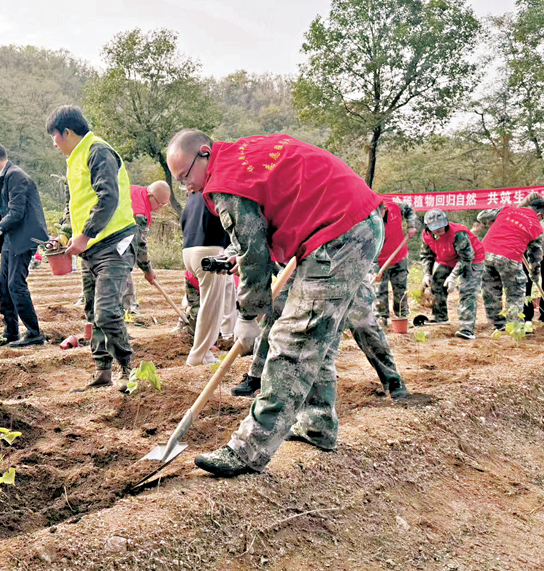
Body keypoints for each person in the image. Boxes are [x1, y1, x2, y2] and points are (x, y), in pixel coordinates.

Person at [166, 130, 383, 477]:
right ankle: (317, 423)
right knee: (316, 335)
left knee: (293, 340)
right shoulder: (238, 157)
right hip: (351, 224)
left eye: (185, 176)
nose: (187, 187)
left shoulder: (226, 181)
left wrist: (248, 314)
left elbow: (254, 257)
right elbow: (256, 237)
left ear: (204, 154)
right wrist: (246, 256)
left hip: (340, 233)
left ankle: (249, 449)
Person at [46, 106, 137, 391]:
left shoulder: (98, 152)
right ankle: (102, 370)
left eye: (55, 137)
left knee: (107, 311)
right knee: (92, 311)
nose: (54, 143)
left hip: (114, 242)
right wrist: (64, 234)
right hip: (91, 248)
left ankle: (128, 368)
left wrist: (85, 235)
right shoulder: (74, 160)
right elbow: (72, 205)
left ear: (67, 132)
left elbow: (108, 197)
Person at [231, 261, 409, 402]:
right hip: (301, 269)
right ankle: (255, 377)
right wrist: (240, 258)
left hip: (347, 265)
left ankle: (393, 381)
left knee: (363, 324)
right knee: (275, 310)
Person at [0, 143, 48, 348]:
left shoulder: (16, 176)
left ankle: (34, 333)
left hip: (23, 237)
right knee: (3, 284)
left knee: (15, 284)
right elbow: (5, 213)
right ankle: (11, 332)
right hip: (11, 238)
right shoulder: (6, 177)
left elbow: (17, 214)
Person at [181, 189, 236, 366]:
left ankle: (205, 355)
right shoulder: (217, 188)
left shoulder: (194, 191)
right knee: (212, 308)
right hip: (209, 248)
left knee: (207, 304)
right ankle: (197, 356)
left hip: (188, 249)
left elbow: (183, 220)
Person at [478, 200, 544, 331]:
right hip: (509, 256)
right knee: (515, 293)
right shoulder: (536, 226)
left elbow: (481, 216)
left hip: (485, 253)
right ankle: (514, 325)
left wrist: (492, 222)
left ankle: (496, 324)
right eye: (543, 218)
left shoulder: (506, 209)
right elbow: (535, 254)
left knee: (491, 291)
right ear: (539, 214)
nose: (541, 221)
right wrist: (534, 274)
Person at [419, 209, 486, 340]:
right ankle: (440, 316)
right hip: (448, 259)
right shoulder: (426, 236)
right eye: (434, 228)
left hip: (472, 259)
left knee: (467, 290)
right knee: (437, 281)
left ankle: (467, 328)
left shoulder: (458, 234)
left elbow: (466, 258)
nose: (438, 230)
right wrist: (426, 274)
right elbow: (427, 255)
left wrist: (453, 277)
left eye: (440, 227)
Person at [123, 181, 172, 315]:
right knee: (122, 266)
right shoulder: (140, 212)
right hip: (117, 244)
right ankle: (128, 309)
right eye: (160, 204)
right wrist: (147, 269)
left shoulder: (134, 190)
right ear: (151, 195)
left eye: (164, 205)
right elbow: (140, 245)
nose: (160, 208)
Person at [374, 196, 419, 327]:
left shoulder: (394, 206)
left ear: (384, 208)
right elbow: (365, 249)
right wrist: (373, 270)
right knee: (379, 291)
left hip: (400, 256)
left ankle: (402, 315)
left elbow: (409, 209)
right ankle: (381, 318)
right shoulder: (367, 222)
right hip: (379, 262)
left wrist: (411, 226)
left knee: (400, 289)